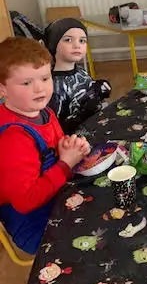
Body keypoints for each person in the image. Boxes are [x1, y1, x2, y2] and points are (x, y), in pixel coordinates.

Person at [0, 37, 90, 254]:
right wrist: (66, 164)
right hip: (36, 224)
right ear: (2, 89)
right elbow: (26, 201)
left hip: (57, 197)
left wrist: (73, 147)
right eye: (26, 83)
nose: (39, 88)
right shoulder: (13, 138)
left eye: (45, 78)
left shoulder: (43, 112)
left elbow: (58, 149)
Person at [44, 18, 111, 134]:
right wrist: (85, 113)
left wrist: (100, 87)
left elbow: (88, 88)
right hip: (77, 138)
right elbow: (59, 127)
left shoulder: (80, 71)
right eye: (68, 40)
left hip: (97, 124)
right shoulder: (55, 86)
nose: (77, 45)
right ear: (53, 44)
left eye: (82, 41)